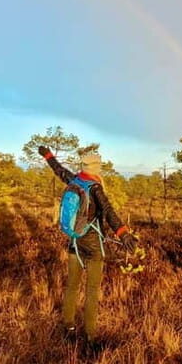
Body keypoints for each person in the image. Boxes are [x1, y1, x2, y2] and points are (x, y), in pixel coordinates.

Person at [38, 145, 137, 343]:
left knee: (72, 286)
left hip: (75, 241)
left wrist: (47, 155)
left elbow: (58, 169)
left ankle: (69, 325)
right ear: (97, 168)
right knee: (92, 290)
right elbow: (108, 211)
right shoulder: (95, 187)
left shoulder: (75, 179)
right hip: (93, 246)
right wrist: (123, 233)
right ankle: (91, 336)